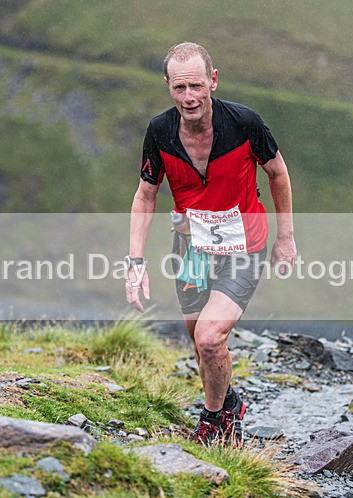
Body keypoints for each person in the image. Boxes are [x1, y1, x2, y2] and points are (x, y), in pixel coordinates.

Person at [125, 42, 297, 445]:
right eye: (180, 88)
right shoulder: (159, 131)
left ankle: (214, 420)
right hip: (191, 251)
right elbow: (145, 194)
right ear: (168, 86)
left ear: (213, 81)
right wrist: (135, 261)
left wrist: (286, 236)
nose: (189, 98)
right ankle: (230, 402)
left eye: (197, 86)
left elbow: (278, 173)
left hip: (244, 245)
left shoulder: (244, 123)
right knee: (200, 342)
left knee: (209, 337)